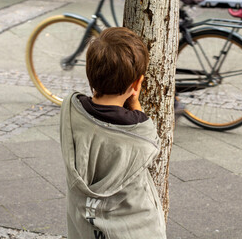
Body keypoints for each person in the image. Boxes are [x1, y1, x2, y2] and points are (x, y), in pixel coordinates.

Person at [59, 27, 167, 239]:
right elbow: (147, 137)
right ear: (137, 84)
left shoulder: (70, 109)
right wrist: (135, 104)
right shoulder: (139, 131)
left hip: (84, 225)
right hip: (133, 229)